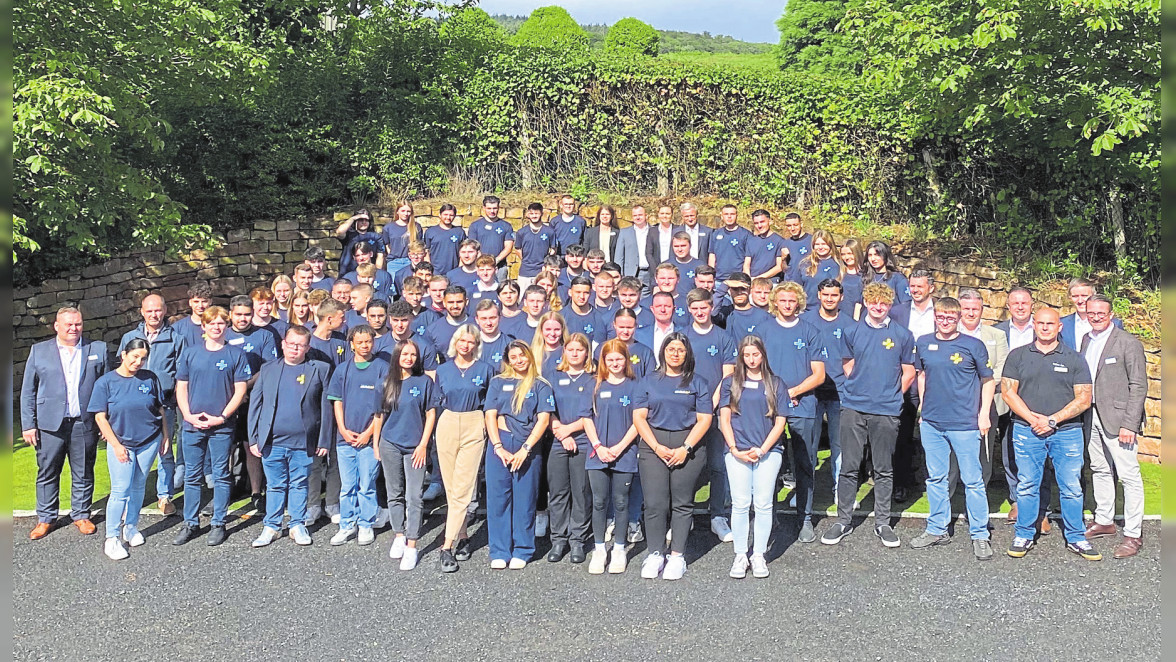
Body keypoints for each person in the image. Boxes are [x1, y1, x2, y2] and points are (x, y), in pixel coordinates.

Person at [821, 282, 915, 548]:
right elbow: (847, 365)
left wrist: (893, 394)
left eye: (883, 303)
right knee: (850, 467)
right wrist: (863, 386)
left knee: (884, 469)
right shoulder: (851, 331)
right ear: (866, 301)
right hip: (854, 407)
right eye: (873, 302)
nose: (878, 307)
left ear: (889, 305)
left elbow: (908, 371)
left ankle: (883, 523)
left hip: (886, 410)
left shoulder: (903, 335)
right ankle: (843, 520)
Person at [1001, 308, 1096, 560]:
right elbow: (1008, 392)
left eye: (1050, 323)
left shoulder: (1074, 359)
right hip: (1026, 430)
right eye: (1040, 323)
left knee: (1071, 487)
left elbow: (1084, 397)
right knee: (1028, 485)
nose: (1045, 327)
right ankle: (1024, 533)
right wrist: (1033, 419)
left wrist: (1053, 420)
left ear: (1059, 327)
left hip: (1067, 432)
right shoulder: (1018, 356)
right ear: (1034, 324)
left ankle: (1076, 537)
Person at [909, 298, 995, 560]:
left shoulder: (973, 345)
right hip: (933, 423)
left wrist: (983, 415)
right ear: (935, 316)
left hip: (965, 424)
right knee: (936, 478)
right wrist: (923, 410)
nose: (945, 321)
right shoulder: (923, 342)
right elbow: (921, 375)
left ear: (958, 318)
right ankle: (937, 528)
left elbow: (988, 381)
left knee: (973, 480)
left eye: (951, 317)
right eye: (941, 317)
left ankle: (980, 534)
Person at [632, 333, 713, 580]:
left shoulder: (698, 382)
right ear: (663, 352)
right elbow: (639, 417)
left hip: (687, 445)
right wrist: (655, 446)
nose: (675, 353)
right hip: (653, 445)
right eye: (671, 349)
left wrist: (685, 448)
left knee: (681, 502)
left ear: (687, 353)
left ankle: (677, 556)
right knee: (655, 503)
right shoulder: (648, 381)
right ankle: (655, 553)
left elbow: (705, 419)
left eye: (680, 349)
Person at [247, 325, 332, 548]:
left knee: (299, 484)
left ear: (307, 347)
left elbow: (326, 408)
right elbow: (255, 405)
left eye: (300, 345)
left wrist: (324, 440)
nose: (295, 348)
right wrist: (254, 438)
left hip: (303, 441)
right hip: (272, 441)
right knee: (275, 485)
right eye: (291, 343)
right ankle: (272, 526)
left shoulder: (319, 369)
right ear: (283, 344)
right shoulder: (268, 369)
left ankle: (297, 524)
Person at [173, 306, 251, 546]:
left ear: (226, 326)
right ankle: (190, 523)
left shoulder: (235, 355)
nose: (217, 327)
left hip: (221, 427)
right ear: (204, 327)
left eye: (221, 324)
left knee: (221, 475)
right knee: (192, 476)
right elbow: (181, 387)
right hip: (192, 425)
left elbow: (240, 390)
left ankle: (218, 522)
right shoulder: (190, 353)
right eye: (212, 323)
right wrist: (188, 415)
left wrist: (223, 416)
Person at [1080, 294, 1148, 558]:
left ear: (1110, 314)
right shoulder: (1087, 339)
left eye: (1101, 313)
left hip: (1120, 420)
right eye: (1091, 312)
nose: (1096, 317)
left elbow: (1139, 385)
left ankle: (1133, 534)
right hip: (1092, 415)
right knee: (1099, 468)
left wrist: (1130, 423)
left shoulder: (1128, 343)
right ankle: (1105, 520)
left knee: (1129, 475)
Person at [86, 339, 166, 559]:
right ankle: (111, 538)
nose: (138, 362)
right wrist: (116, 445)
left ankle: (130, 526)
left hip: (149, 441)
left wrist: (165, 436)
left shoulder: (150, 378)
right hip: (121, 443)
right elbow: (100, 417)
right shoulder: (106, 382)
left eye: (143, 358)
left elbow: (159, 408)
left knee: (139, 486)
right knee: (121, 490)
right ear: (124, 354)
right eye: (134, 357)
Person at [718, 336, 789, 579]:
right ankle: (740, 554)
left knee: (763, 503)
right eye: (746, 355)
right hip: (737, 452)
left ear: (762, 355)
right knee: (739, 504)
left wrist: (763, 449)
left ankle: (758, 554)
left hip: (768, 452)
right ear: (741, 356)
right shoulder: (730, 383)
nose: (751, 359)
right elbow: (724, 419)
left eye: (755, 354)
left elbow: (780, 422)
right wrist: (734, 448)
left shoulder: (776, 383)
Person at [761, 282, 826, 543]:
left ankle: (805, 518)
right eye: (783, 300)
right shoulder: (763, 330)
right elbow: (756, 368)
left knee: (804, 463)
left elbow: (819, 374)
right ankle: (770, 515)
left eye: (792, 301)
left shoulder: (810, 331)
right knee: (768, 462)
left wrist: (794, 392)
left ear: (798, 302)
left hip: (804, 405)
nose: (787, 305)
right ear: (775, 301)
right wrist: (777, 395)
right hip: (768, 405)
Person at [484, 341, 556, 569]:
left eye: (522, 355)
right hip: (500, 443)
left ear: (530, 356)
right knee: (498, 499)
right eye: (513, 356)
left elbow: (544, 419)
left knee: (525, 500)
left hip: (528, 446)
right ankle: (499, 550)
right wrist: (497, 446)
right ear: (508, 360)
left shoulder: (541, 385)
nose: (519, 360)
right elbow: (490, 415)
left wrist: (526, 449)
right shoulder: (497, 382)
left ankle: (523, 549)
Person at [433, 325, 495, 572]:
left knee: (463, 487)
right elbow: (437, 399)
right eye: (462, 340)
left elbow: (490, 401)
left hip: (473, 421)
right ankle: (464, 535)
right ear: (455, 342)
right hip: (448, 420)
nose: (465, 345)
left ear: (477, 345)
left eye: (471, 342)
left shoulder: (485, 370)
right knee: (451, 488)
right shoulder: (443, 369)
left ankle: (446, 546)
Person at [374, 339, 439, 570]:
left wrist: (424, 445)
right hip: (389, 443)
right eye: (405, 354)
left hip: (415, 447)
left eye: (413, 355)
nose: (409, 358)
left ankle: (412, 544)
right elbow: (379, 416)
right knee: (395, 493)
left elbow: (430, 415)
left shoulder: (424, 382)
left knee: (415, 496)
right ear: (397, 357)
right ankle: (399, 535)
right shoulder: (386, 382)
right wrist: (376, 444)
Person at [119, 294, 185, 516]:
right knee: (130, 450)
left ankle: (165, 496)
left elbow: (182, 372)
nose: (154, 315)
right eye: (149, 311)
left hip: (164, 404)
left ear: (165, 311)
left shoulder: (176, 338)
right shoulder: (130, 337)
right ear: (142, 312)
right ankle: (127, 493)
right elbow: (121, 370)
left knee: (165, 450)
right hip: (133, 406)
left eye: (158, 310)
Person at [680, 289, 738, 543]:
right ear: (689, 309)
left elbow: (728, 376)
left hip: (714, 411)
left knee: (717, 465)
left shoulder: (724, 337)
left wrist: (709, 405)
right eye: (695, 308)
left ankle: (717, 516)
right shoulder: (682, 337)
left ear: (711, 307)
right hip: (687, 411)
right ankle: (684, 514)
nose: (700, 312)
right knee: (686, 464)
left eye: (704, 307)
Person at [583, 339, 644, 574]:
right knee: (599, 502)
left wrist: (619, 447)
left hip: (624, 452)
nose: (615, 363)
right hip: (597, 453)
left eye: (619, 359)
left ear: (626, 360)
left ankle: (619, 548)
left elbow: (638, 420)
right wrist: (598, 446)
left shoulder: (634, 386)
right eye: (610, 360)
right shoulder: (594, 385)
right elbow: (587, 417)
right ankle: (599, 549)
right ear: (604, 362)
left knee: (621, 501)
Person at [326, 325, 389, 547]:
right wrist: (342, 429)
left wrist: (368, 434)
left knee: (367, 484)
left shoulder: (382, 368)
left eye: (368, 341)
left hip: (369, 441)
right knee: (347, 486)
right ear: (351, 344)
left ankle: (366, 524)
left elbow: (383, 407)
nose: (364, 345)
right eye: (360, 342)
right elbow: (337, 402)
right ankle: (347, 524)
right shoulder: (342, 370)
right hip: (345, 440)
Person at [992, 286, 1047, 525]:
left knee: (1040, 453)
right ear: (1008, 306)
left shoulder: (1044, 328)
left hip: (1038, 399)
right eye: (1015, 303)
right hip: (1008, 399)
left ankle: (1041, 508)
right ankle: (1017, 500)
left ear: (1032, 304)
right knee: (1009, 450)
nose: (1020, 307)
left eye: (1025, 302)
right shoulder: (997, 332)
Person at [950, 289, 1010, 495]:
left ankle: (978, 500)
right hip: (954, 402)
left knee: (984, 452)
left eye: (975, 309)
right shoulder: (947, 333)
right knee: (951, 454)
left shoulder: (996, 335)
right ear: (959, 310)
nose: (970, 313)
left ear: (982, 310)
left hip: (988, 402)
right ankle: (948, 502)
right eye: (966, 308)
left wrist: (982, 387)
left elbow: (1002, 366)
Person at [545, 333, 596, 565]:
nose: (575, 353)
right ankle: (558, 539)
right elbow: (547, 409)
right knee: (558, 492)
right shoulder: (554, 376)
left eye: (580, 350)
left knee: (581, 492)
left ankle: (577, 539)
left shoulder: (594, 378)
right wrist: (560, 430)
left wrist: (570, 431)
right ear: (564, 351)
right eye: (571, 349)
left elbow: (592, 412)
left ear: (587, 353)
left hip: (584, 440)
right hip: (557, 440)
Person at [890, 269, 936, 503]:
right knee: (903, 432)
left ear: (931, 288)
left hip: (934, 378)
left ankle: (934, 480)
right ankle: (901, 483)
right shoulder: (897, 312)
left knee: (934, 430)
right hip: (906, 377)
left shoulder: (941, 312)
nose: (915, 290)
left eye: (920, 286)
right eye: (912, 286)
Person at [802, 279, 851, 497]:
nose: (830, 299)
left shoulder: (850, 324)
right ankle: (805, 491)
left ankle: (840, 489)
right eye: (826, 294)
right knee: (808, 444)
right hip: (810, 392)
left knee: (839, 443)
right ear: (819, 295)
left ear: (841, 297)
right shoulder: (804, 321)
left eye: (834, 295)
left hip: (839, 392)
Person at [1059, 277, 1123, 349]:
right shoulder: (1062, 324)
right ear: (1070, 297)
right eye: (1075, 296)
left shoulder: (1114, 324)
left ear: (1093, 296)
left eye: (1084, 296)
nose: (1080, 301)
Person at [465, 195, 516, 283]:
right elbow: (473, 246)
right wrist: (484, 262)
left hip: (500, 267)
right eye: (489, 208)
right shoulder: (475, 226)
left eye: (494, 208)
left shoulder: (506, 226)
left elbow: (508, 247)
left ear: (499, 208)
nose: (492, 211)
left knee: (499, 292)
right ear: (484, 208)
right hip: (480, 266)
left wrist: (496, 260)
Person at [716, 273, 772, 341]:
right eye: (735, 289)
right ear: (729, 291)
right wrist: (724, 285)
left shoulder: (763, 316)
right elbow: (711, 311)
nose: (739, 293)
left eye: (743, 289)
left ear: (749, 290)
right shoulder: (725, 313)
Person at [708, 205, 750, 296]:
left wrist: (745, 279)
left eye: (732, 214)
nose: (729, 217)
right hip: (719, 280)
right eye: (726, 214)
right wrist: (711, 277)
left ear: (737, 215)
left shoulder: (746, 234)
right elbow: (712, 256)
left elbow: (748, 259)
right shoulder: (716, 234)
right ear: (721, 216)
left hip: (737, 280)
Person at [514, 202, 556, 293]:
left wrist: (545, 262)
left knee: (541, 296)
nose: (534, 216)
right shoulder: (521, 232)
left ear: (541, 213)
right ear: (528, 214)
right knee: (522, 297)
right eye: (531, 213)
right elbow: (517, 249)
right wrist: (525, 260)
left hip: (541, 271)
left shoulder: (549, 231)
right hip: (525, 271)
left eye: (536, 213)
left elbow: (553, 249)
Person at [798, 230, 843, 311]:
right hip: (807, 310)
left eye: (824, 244)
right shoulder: (805, 264)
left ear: (830, 244)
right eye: (817, 244)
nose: (820, 247)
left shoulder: (838, 265)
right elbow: (797, 287)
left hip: (829, 310)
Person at [615, 205, 654, 291]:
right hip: (631, 273)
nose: (638, 217)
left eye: (640, 215)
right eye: (635, 215)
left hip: (650, 272)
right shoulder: (624, 232)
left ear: (646, 216)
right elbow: (619, 256)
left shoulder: (655, 231)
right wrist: (620, 274)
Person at [336, 208, 384, 276]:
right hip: (347, 273)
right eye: (361, 219)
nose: (364, 222)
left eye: (366, 220)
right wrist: (353, 218)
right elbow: (339, 232)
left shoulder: (376, 237)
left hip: (367, 273)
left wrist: (378, 273)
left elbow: (380, 256)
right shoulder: (349, 235)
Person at [563, 276, 607, 347]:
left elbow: (598, 347)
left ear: (590, 293)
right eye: (578, 292)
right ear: (570, 292)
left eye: (586, 293)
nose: (582, 296)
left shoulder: (599, 318)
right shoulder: (561, 316)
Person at [744, 209, 785, 282]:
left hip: (771, 282)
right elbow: (746, 264)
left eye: (762, 222)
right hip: (752, 282)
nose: (759, 226)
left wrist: (759, 279)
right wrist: (748, 278)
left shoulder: (779, 241)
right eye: (756, 223)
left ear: (770, 221)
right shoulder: (751, 240)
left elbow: (779, 267)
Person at [423, 203, 465, 274]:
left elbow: (464, 251)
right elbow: (426, 251)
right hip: (435, 272)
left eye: (451, 215)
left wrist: (459, 269)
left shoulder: (459, 232)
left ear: (454, 216)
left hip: (454, 272)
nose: (448, 217)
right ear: (440, 215)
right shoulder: (430, 232)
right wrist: (429, 268)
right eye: (445, 214)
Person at [381, 201, 420, 276]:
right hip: (394, 263)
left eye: (408, 211)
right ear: (397, 212)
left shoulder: (416, 227)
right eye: (403, 211)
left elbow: (419, 246)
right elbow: (387, 245)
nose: (406, 213)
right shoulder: (388, 228)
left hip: (410, 261)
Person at [635, 291, 678, 359]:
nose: (663, 310)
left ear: (674, 309)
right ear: (652, 309)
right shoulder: (639, 335)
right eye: (658, 306)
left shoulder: (684, 333)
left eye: (667, 306)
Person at [172, 281, 213, 349]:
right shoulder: (177, 328)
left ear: (210, 302)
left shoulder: (218, 326)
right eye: (196, 302)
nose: (200, 305)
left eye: (204, 301)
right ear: (190, 302)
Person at [668, 232, 706, 297]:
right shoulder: (667, 265)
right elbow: (657, 288)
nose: (680, 249)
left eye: (683, 246)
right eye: (676, 246)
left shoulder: (700, 265)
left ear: (690, 245)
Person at [779, 212, 813, 282]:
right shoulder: (785, 243)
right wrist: (783, 259)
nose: (792, 228)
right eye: (789, 226)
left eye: (795, 225)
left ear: (801, 224)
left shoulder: (812, 241)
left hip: (807, 282)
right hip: (790, 283)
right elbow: (784, 269)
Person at [839, 238, 866, 318]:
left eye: (850, 253)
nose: (846, 257)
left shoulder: (865, 274)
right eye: (843, 254)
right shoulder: (839, 273)